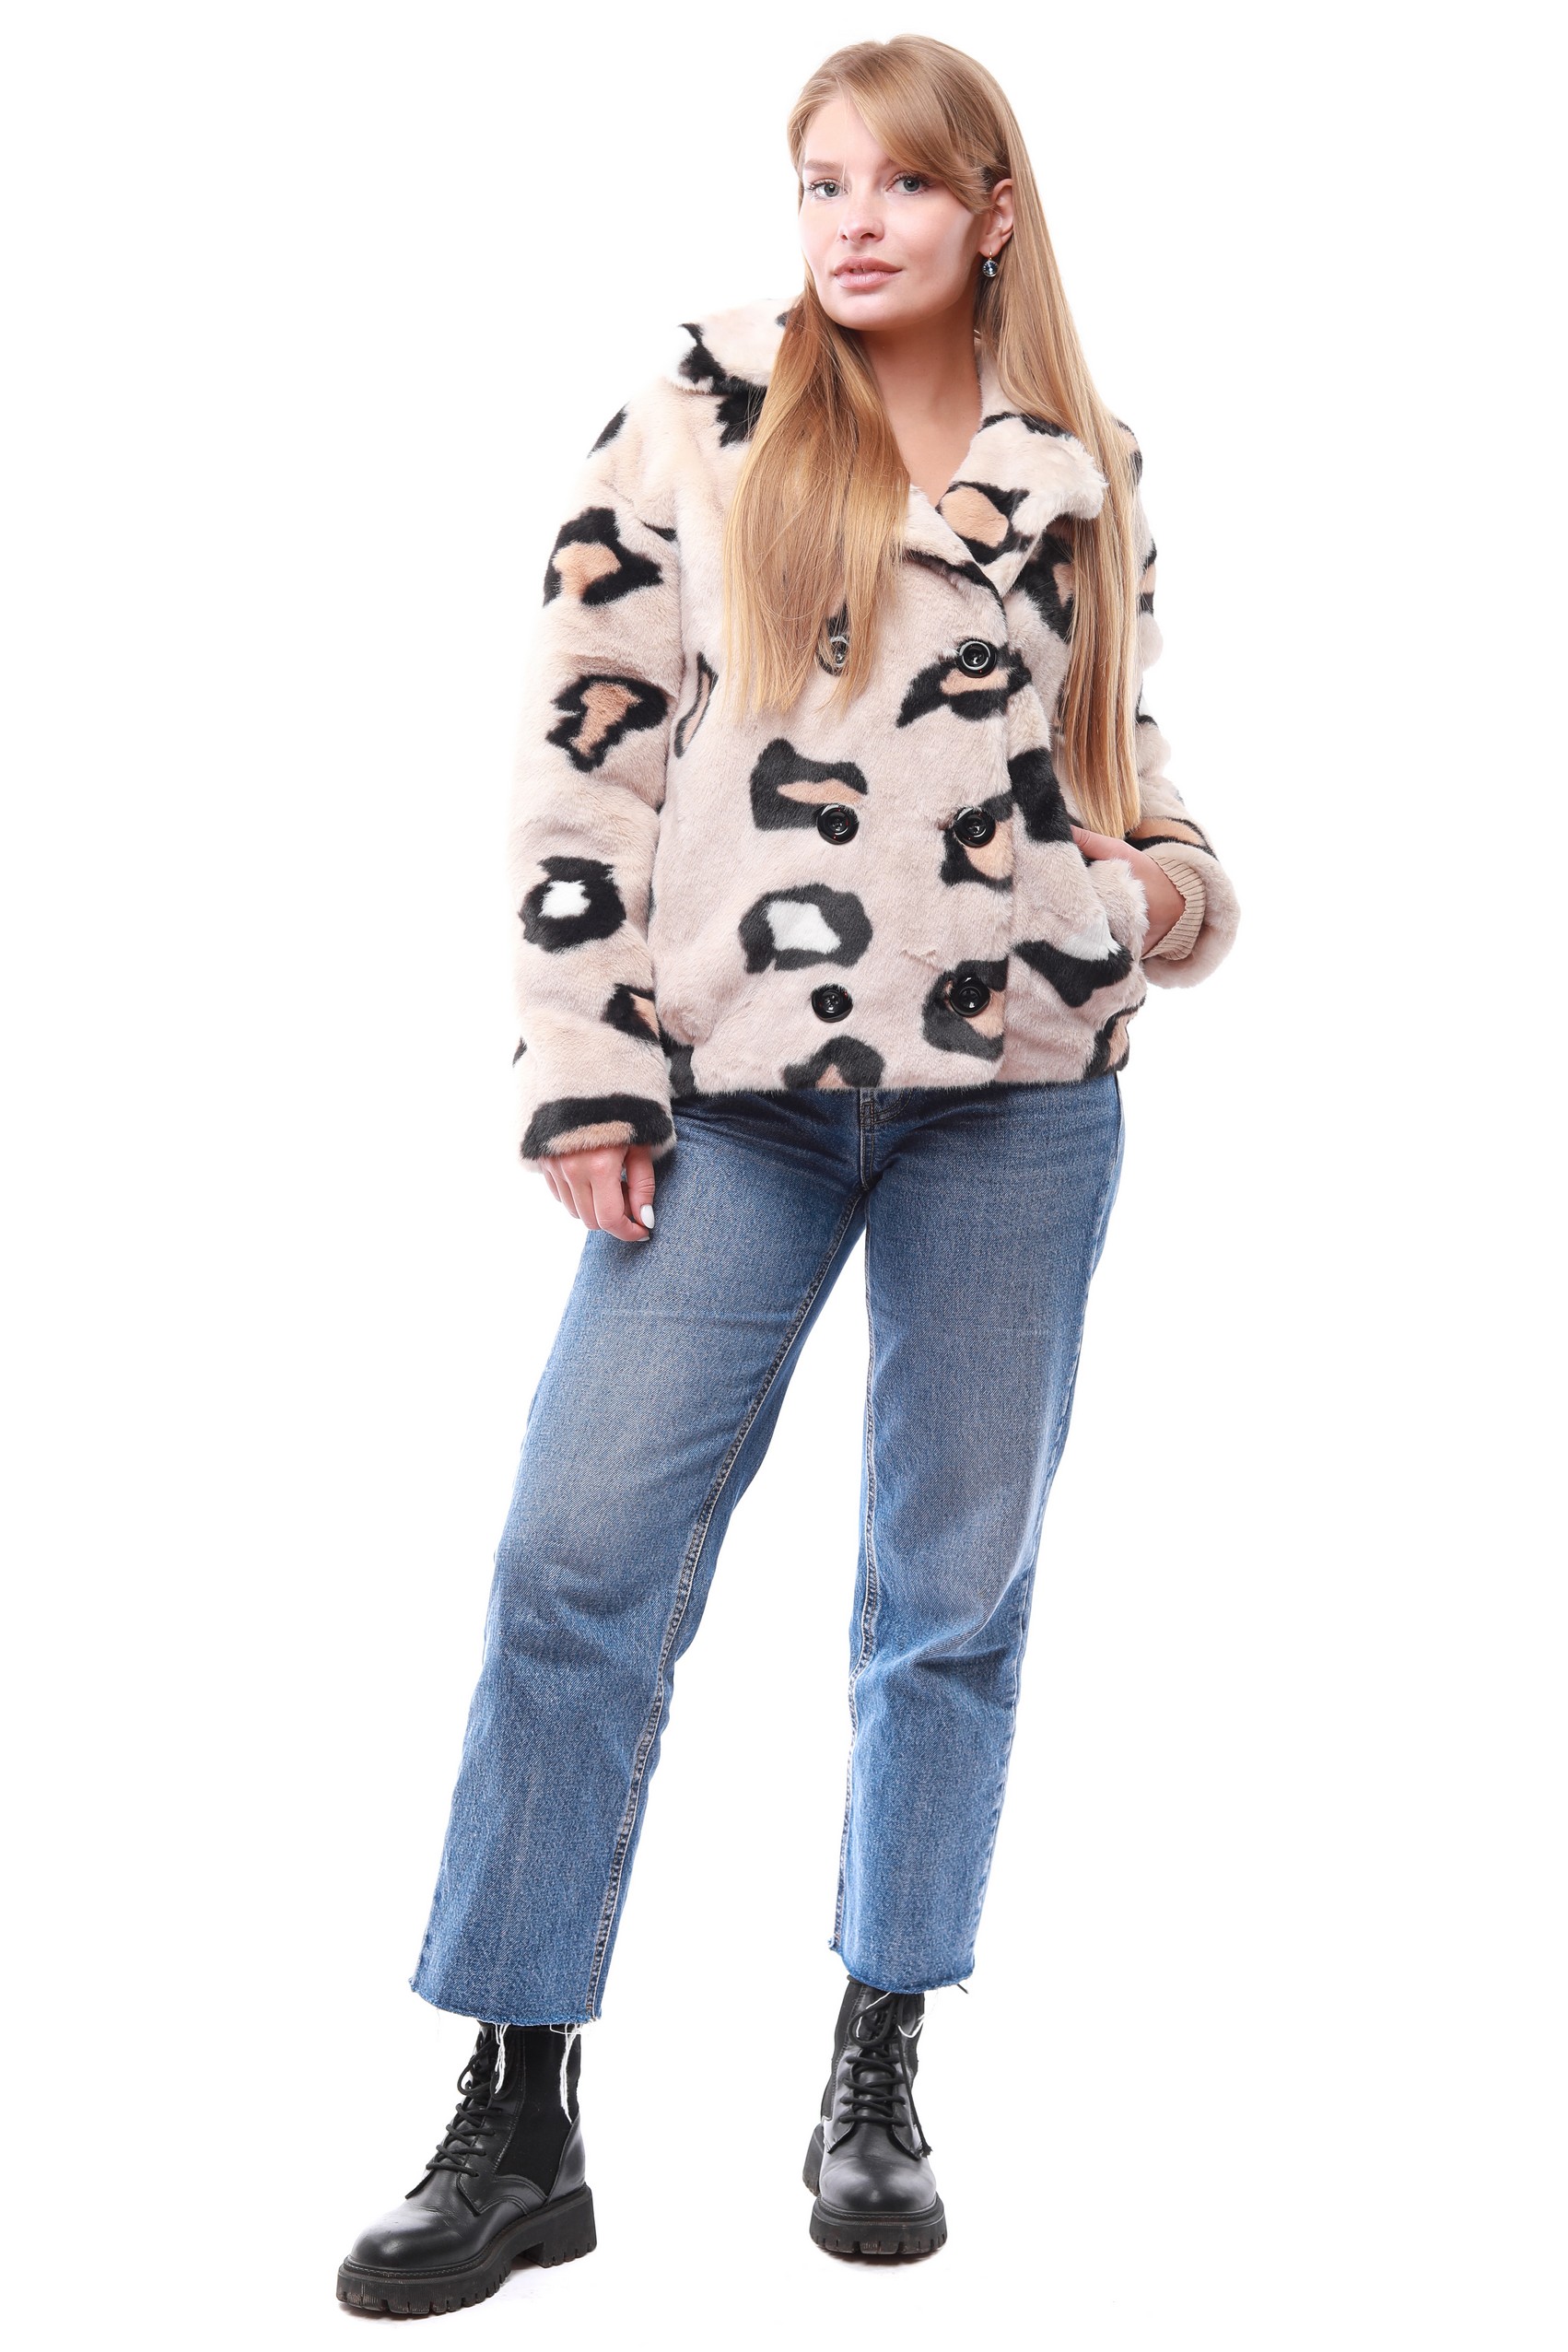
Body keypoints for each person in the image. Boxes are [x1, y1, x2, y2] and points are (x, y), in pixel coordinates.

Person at [336, 32, 1240, 2316]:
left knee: (947, 1593)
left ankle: (876, 2063)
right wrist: (585, 1073)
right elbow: (579, 759)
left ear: (988, 214)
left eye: (900, 186)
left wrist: (1156, 893)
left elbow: (1123, 761)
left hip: (1014, 1094)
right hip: (731, 1094)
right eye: (821, 181)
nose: (852, 220)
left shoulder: (1083, 463)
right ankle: (518, 2107)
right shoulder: (694, 416)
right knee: (575, 1556)